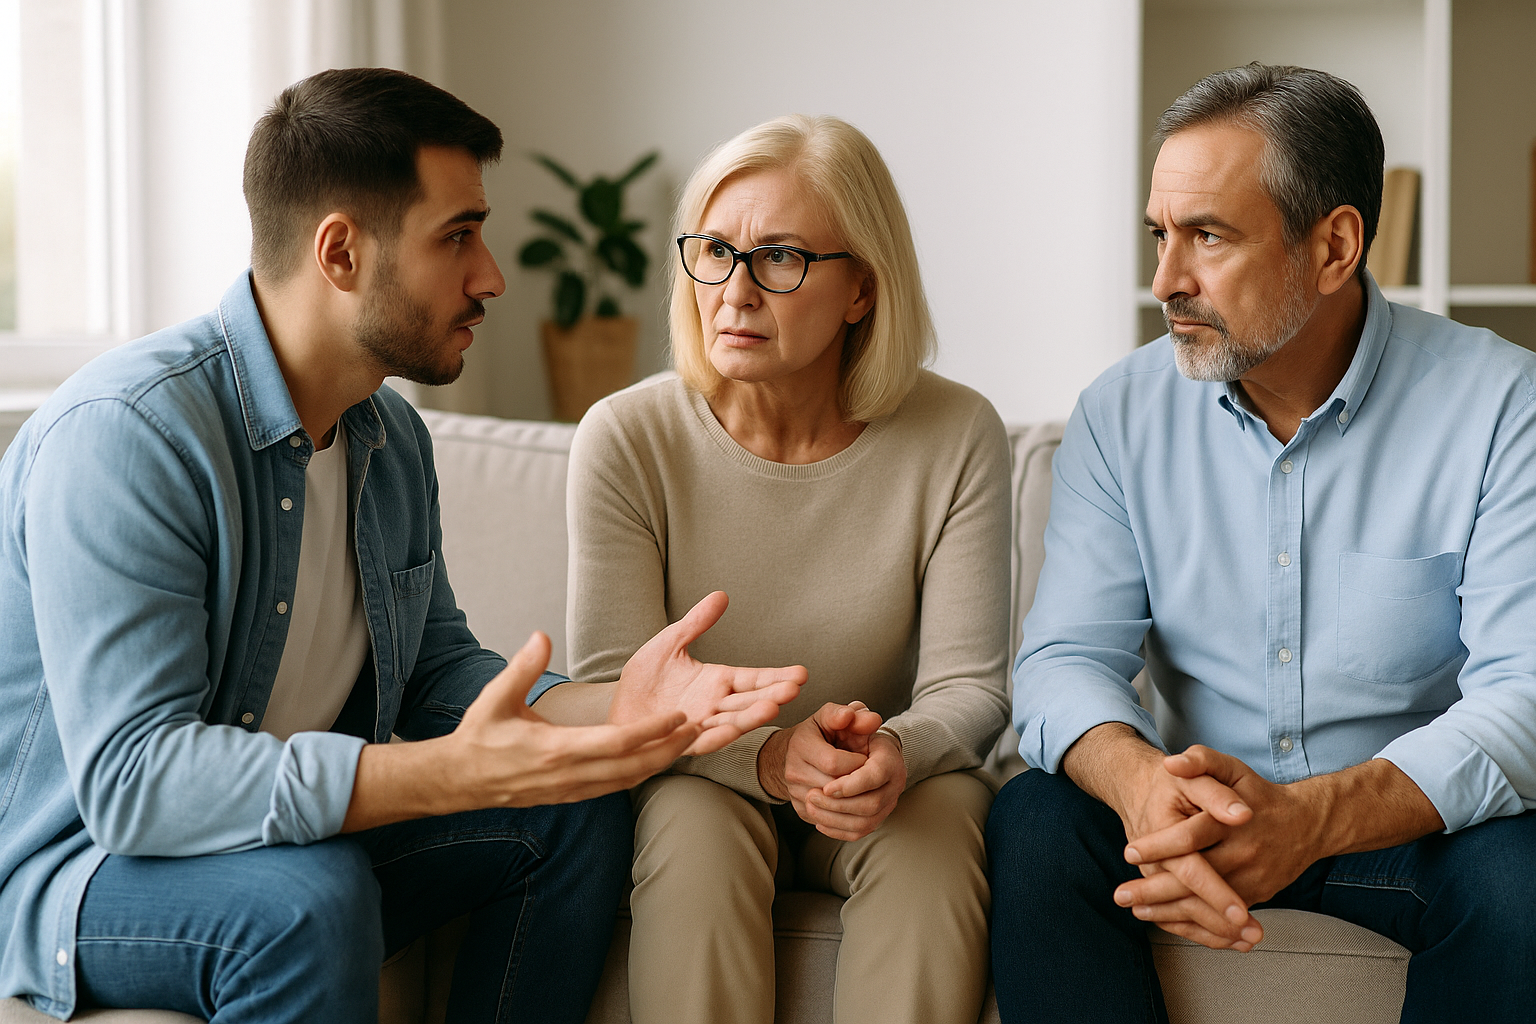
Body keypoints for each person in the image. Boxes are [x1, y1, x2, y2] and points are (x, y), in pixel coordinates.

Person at [0, 68, 807, 1024]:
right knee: (308, 902)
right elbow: (138, 785)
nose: (492, 276)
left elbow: (432, 678)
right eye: (457, 236)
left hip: (283, 849)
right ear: (340, 251)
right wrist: (438, 774)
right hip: (85, 871)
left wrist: (612, 704)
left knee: (573, 809)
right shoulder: (131, 435)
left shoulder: (390, 438)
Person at [987, 62, 1536, 1023]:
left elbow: (1525, 696)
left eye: (1208, 236)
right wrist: (1143, 784)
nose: (1165, 281)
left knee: (1524, 874)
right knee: (1036, 821)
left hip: (1402, 829)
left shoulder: (1501, 408)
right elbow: (1064, 658)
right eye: (1160, 235)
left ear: (1334, 247)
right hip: (1190, 815)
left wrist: (1312, 820)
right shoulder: (1120, 414)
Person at [532, 113, 1011, 1024]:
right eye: (714, 251)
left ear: (862, 290)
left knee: (942, 828)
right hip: (702, 778)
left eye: (780, 258)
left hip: (886, 774)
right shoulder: (628, 438)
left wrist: (894, 754)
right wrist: (770, 759)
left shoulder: (957, 435)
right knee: (690, 831)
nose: (735, 292)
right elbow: (613, 691)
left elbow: (971, 687)